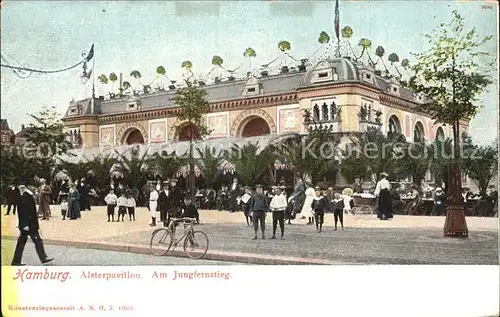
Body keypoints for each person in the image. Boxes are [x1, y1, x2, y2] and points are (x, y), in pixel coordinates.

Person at [11, 185, 54, 266]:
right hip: (29, 225)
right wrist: (25, 225)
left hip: (28, 224)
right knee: (38, 241)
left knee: (22, 243)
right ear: (29, 188)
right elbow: (23, 212)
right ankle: (43, 258)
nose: (36, 190)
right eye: (34, 189)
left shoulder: (26, 196)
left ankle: (16, 261)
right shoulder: (26, 197)